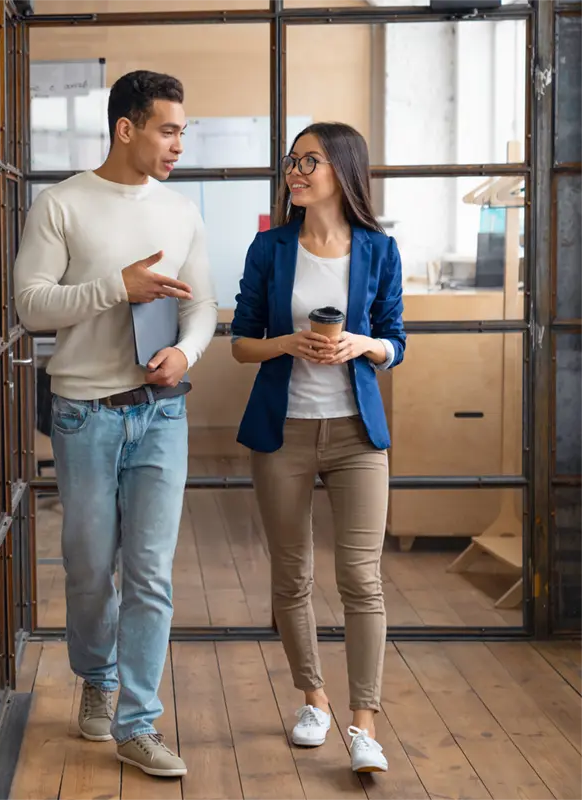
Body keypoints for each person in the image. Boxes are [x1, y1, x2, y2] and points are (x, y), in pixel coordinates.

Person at [13, 70, 217, 778]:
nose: (179, 145)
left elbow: (201, 307)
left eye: (183, 132)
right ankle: (96, 679)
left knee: (151, 572)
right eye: (168, 130)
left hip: (162, 413)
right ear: (126, 129)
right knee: (90, 569)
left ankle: (138, 721)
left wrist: (184, 353)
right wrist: (114, 288)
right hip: (83, 415)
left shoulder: (182, 212)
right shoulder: (62, 205)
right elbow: (31, 306)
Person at [230, 121, 406, 774]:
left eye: (310, 161)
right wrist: (286, 343)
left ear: (343, 170)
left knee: (361, 577)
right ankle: (314, 700)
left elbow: (395, 339)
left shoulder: (379, 250)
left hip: (358, 435)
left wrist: (365, 345)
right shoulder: (270, 247)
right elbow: (240, 341)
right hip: (285, 433)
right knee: (292, 574)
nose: (295, 171)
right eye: (292, 160)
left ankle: (364, 726)